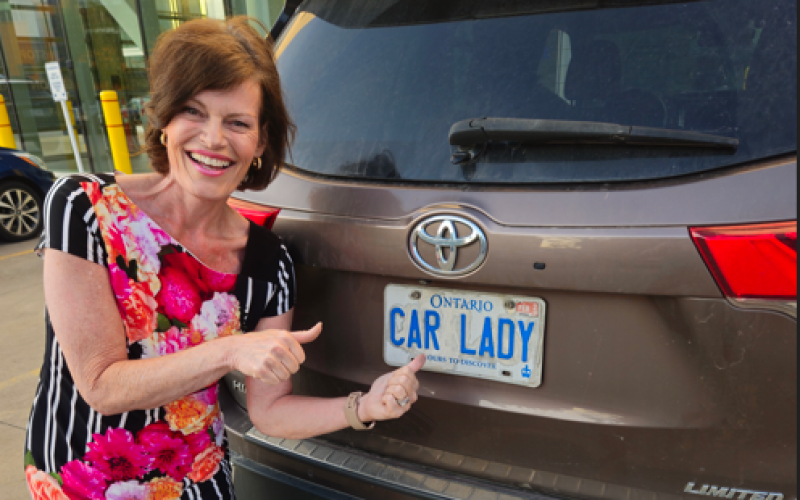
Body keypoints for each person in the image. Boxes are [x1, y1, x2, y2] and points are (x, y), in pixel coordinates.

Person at [24, 17, 425, 500]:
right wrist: (230, 349)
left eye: (237, 123)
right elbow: (102, 386)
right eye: (194, 112)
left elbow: (270, 411)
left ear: (259, 144)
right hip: (80, 484)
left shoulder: (268, 263)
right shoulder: (83, 208)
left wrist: (363, 406)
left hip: (195, 485)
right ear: (165, 122)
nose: (213, 139)